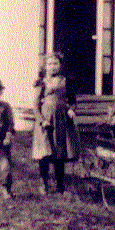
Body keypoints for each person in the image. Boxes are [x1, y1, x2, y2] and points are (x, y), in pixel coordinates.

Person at [31, 52, 78, 196]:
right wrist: (42, 120)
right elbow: (36, 105)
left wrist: (71, 109)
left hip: (61, 120)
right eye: (50, 64)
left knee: (59, 152)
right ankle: (44, 184)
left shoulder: (66, 81)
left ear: (60, 65)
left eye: (55, 64)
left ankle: (60, 186)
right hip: (45, 121)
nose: (53, 67)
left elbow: (72, 100)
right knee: (44, 152)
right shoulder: (41, 82)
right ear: (45, 67)